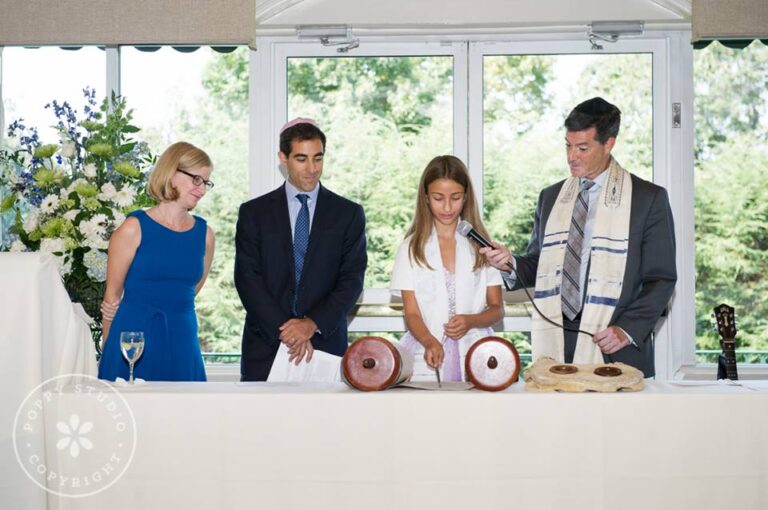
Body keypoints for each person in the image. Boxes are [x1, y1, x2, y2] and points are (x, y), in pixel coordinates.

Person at [481, 97, 676, 377]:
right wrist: (509, 263)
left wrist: (626, 330)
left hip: (614, 345)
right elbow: (538, 266)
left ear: (609, 144)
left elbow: (662, 278)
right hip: (556, 342)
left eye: (583, 148)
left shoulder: (648, 199)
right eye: (568, 145)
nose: (572, 156)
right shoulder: (550, 198)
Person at [235, 118, 367, 381]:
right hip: (266, 346)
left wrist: (310, 325)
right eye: (301, 159)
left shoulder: (348, 214)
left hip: (325, 347)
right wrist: (289, 332)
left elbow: (352, 280)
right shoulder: (253, 213)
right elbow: (247, 279)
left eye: (318, 158)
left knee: (326, 423)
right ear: (283, 158)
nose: (311, 169)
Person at [98, 141, 216, 381]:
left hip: (183, 340)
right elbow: (111, 299)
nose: (202, 190)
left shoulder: (205, 234)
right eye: (196, 180)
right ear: (172, 173)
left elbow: (191, 290)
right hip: (133, 342)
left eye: (206, 182)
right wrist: (109, 354)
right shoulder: (133, 229)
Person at [390, 155, 504, 381]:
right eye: (438, 198)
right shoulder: (411, 248)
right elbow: (411, 312)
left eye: (455, 197)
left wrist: (471, 320)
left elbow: (497, 309)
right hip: (426, 349)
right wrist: (430, 341)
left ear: (466, 197)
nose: (447, 207)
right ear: (425, 197)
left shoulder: (482, 246)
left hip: (475, 350)